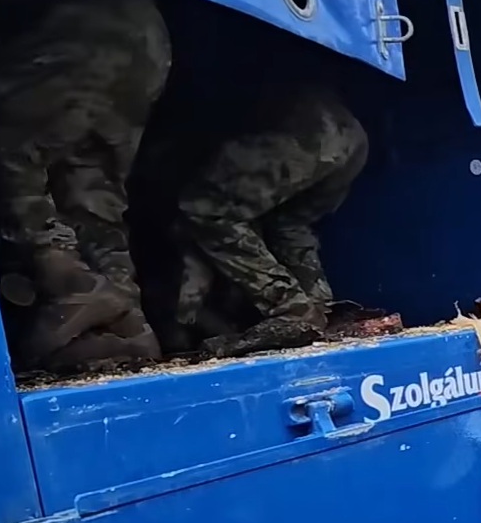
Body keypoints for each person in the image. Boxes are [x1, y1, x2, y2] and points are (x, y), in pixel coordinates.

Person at [0, 0, 173, 369]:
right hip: (144, 33)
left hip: (65, 26)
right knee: (94, 190)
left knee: (0, 147)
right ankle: (126, 326)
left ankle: (70, 286)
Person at [151, 85, 369, 356]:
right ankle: (318, 306)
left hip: (301, 129)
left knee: (209, 210)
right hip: (348, 134)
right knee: (289, 223)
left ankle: (292, 309)